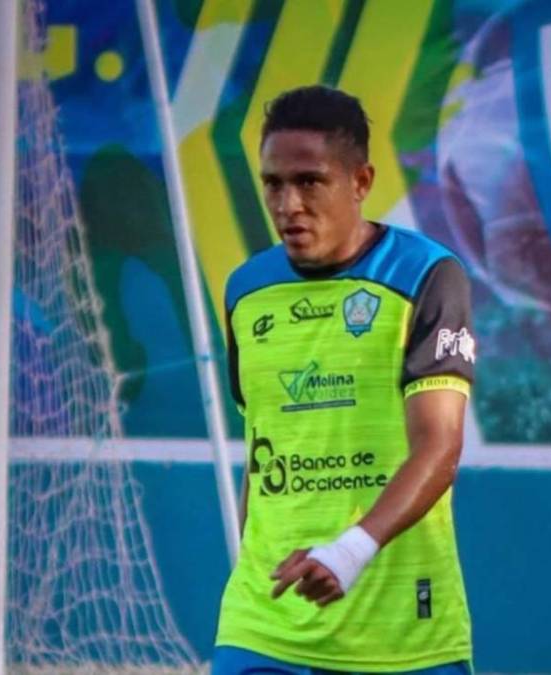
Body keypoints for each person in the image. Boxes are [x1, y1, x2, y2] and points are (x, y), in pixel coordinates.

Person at [212, 85, 476, 675]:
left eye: (310, 181)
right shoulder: (246, 290)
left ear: (360, 182)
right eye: (273, 184)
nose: (288, 204)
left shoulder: (425, 275)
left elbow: (440, 446)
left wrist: (350, 550)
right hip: (265, 620)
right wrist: (252, 562)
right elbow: (263, 447)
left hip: (399, 628)